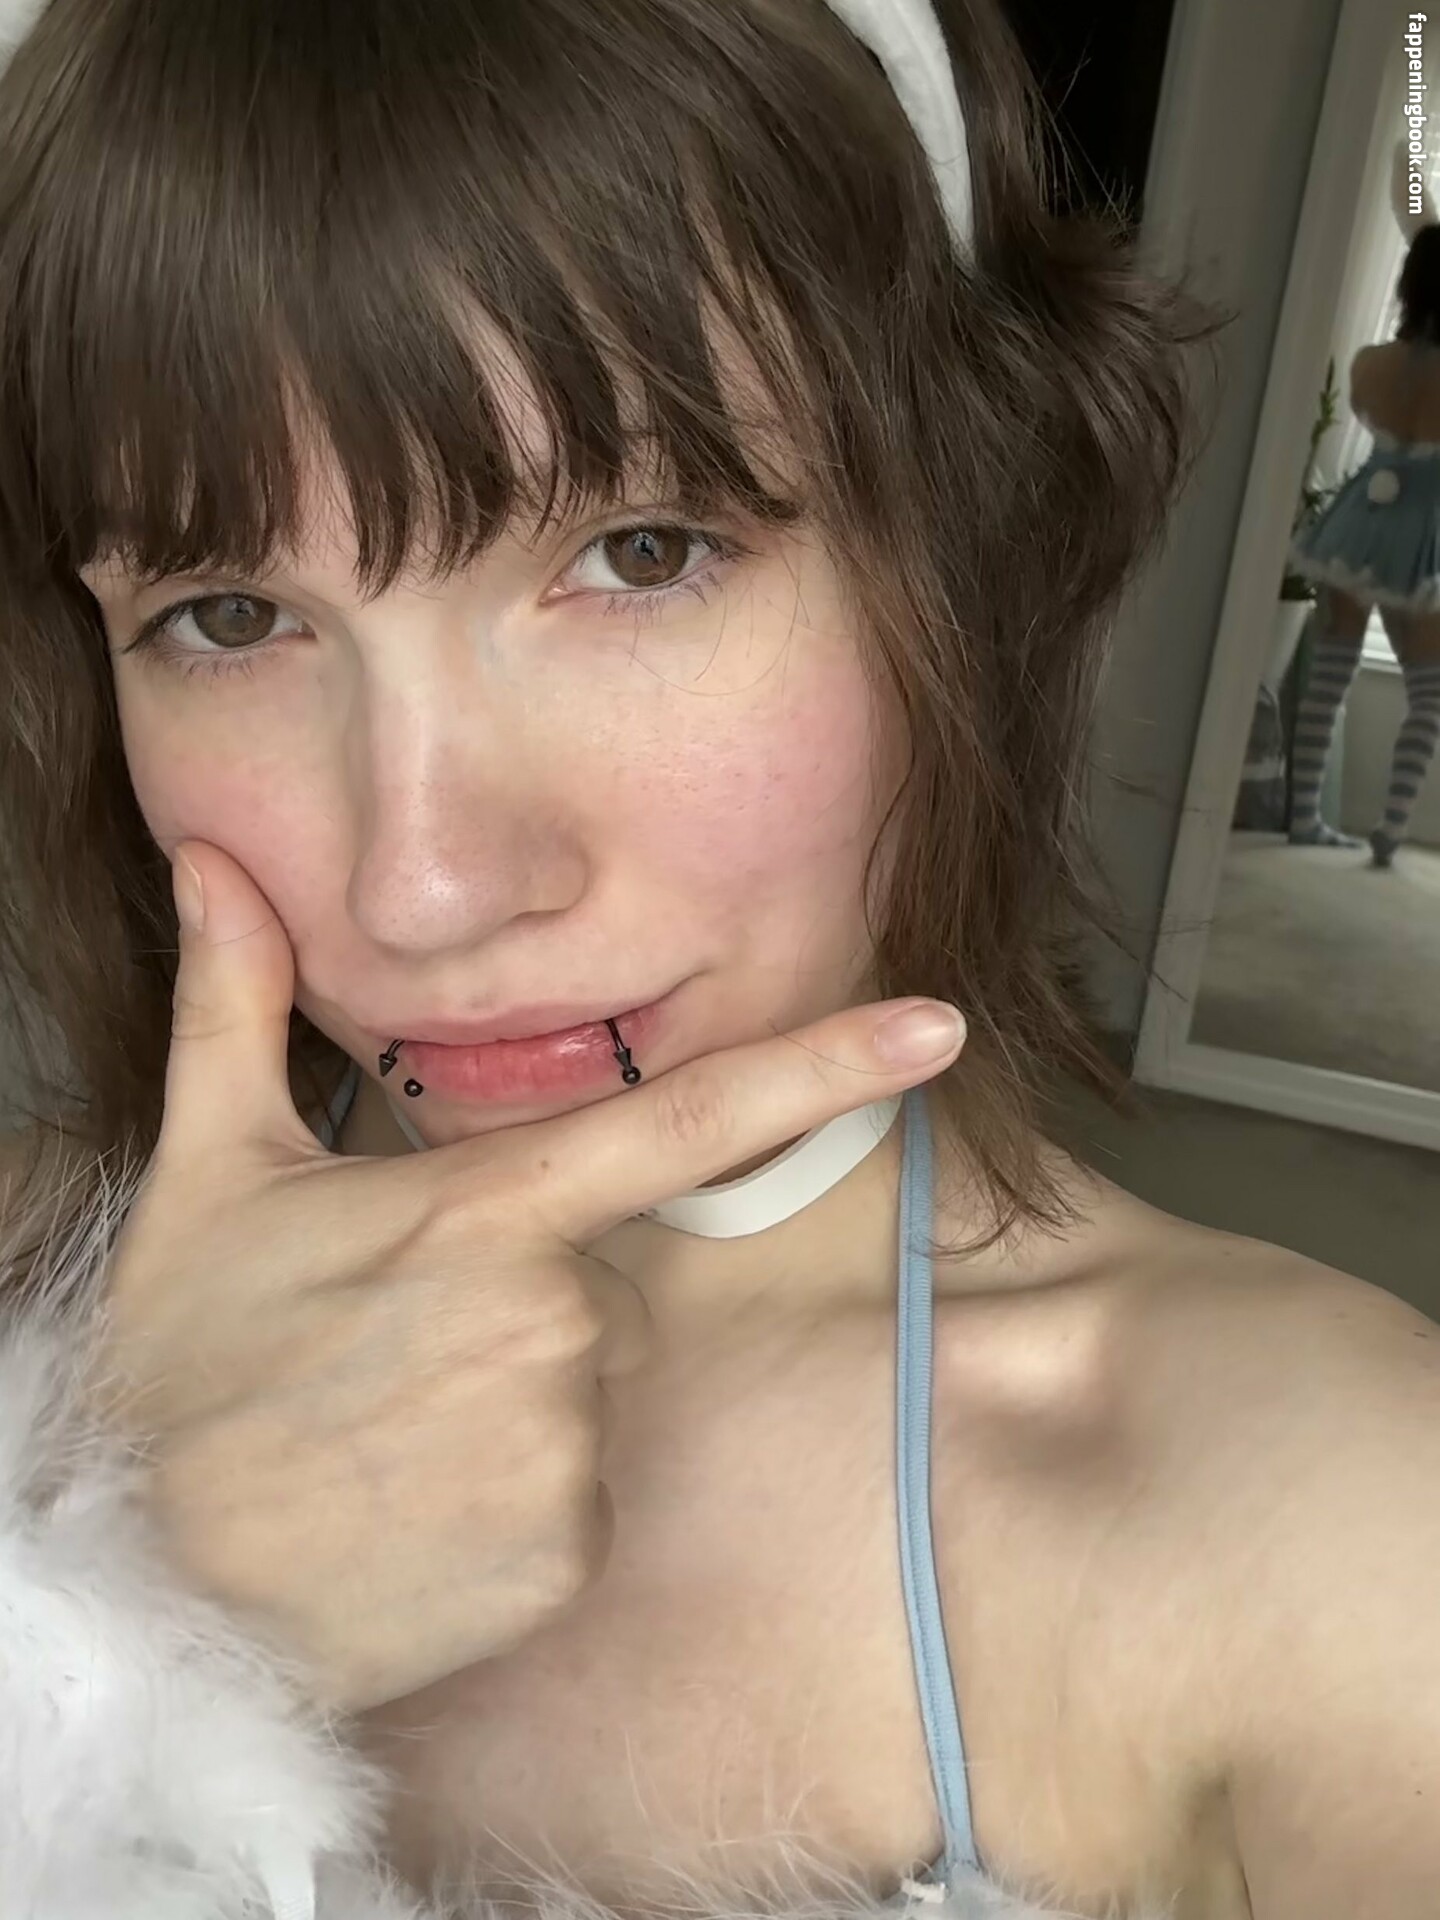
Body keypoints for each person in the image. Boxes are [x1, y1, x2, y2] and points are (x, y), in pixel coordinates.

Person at [0, 2, 1437, 1919]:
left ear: (970, 557)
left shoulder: (1340, 1521)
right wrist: (127, 1617)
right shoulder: (23, 1287)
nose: (425, 887)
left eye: (644, 553)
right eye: (231, 614)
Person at [1285, 222, 1440, 865]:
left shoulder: (1369, 364)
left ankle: (1304, 817)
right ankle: (1390, 830)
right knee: (1430, 696)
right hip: (1424, 532)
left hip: (1360, 518)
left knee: (1328, 676)